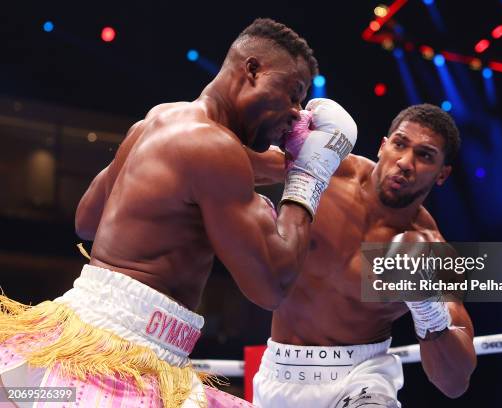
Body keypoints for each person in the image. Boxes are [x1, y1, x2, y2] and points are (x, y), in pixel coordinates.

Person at [0, 18, 357, 408]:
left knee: (25, 395)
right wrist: (308, 175)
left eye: (424, 155)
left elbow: (87, 222)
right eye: (293, 95)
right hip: (128, 361)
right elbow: (270, 286)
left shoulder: (160, 119)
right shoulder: (216, 149)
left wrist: (432, 317)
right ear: (252, 69)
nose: (295, 112)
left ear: (440, 172)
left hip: (76, 342)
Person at [248, 104, 477, 407]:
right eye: (400, 144)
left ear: (442, 174)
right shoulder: (327, 170)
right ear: (383, 146)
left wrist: (428, 307)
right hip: (277, 373)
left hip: (361, 377)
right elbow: (224, 158)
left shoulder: (431, 250)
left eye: (425, 156)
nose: (405, 162)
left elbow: (454, 382)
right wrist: (279, 130)